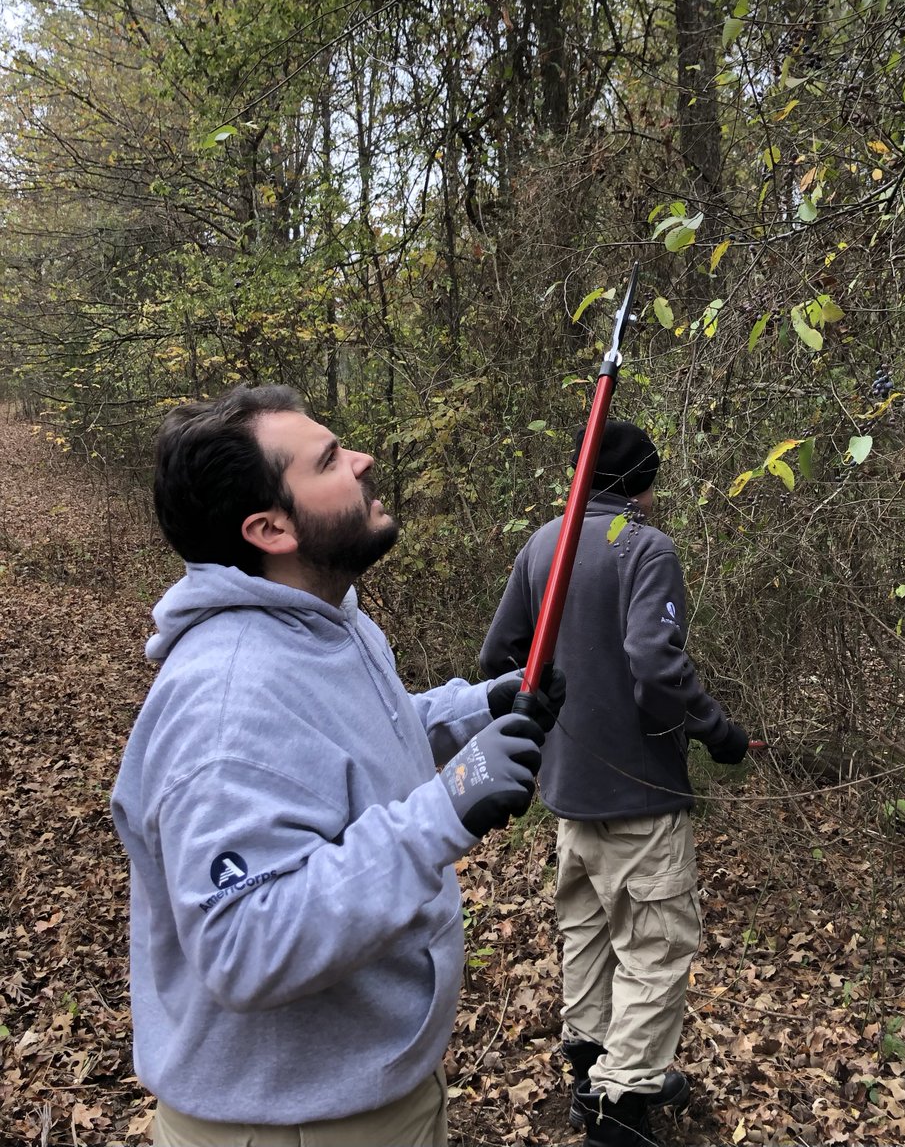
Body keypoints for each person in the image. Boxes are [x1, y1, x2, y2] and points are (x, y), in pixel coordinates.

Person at [110, 384, 565, 1147]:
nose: (362, 460)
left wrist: (478, 708)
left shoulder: (327, 623)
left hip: (360, 1093)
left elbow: (346, 747)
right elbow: (242, 945)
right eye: (328, 460)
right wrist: (442, 813)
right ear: (270, 527)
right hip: (290, 1125)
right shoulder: (227, 703)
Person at [480, 419, 758, 1147]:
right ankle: (621, 1104)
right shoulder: (644, 546)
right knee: (655, 945)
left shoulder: (545, 542)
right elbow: (655, 665)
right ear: (642, 481)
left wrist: (549, 730)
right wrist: (718, 734)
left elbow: (499, 658)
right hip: (639, 796)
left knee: (589, 933)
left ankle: (592, 1066)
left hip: (567, 791)